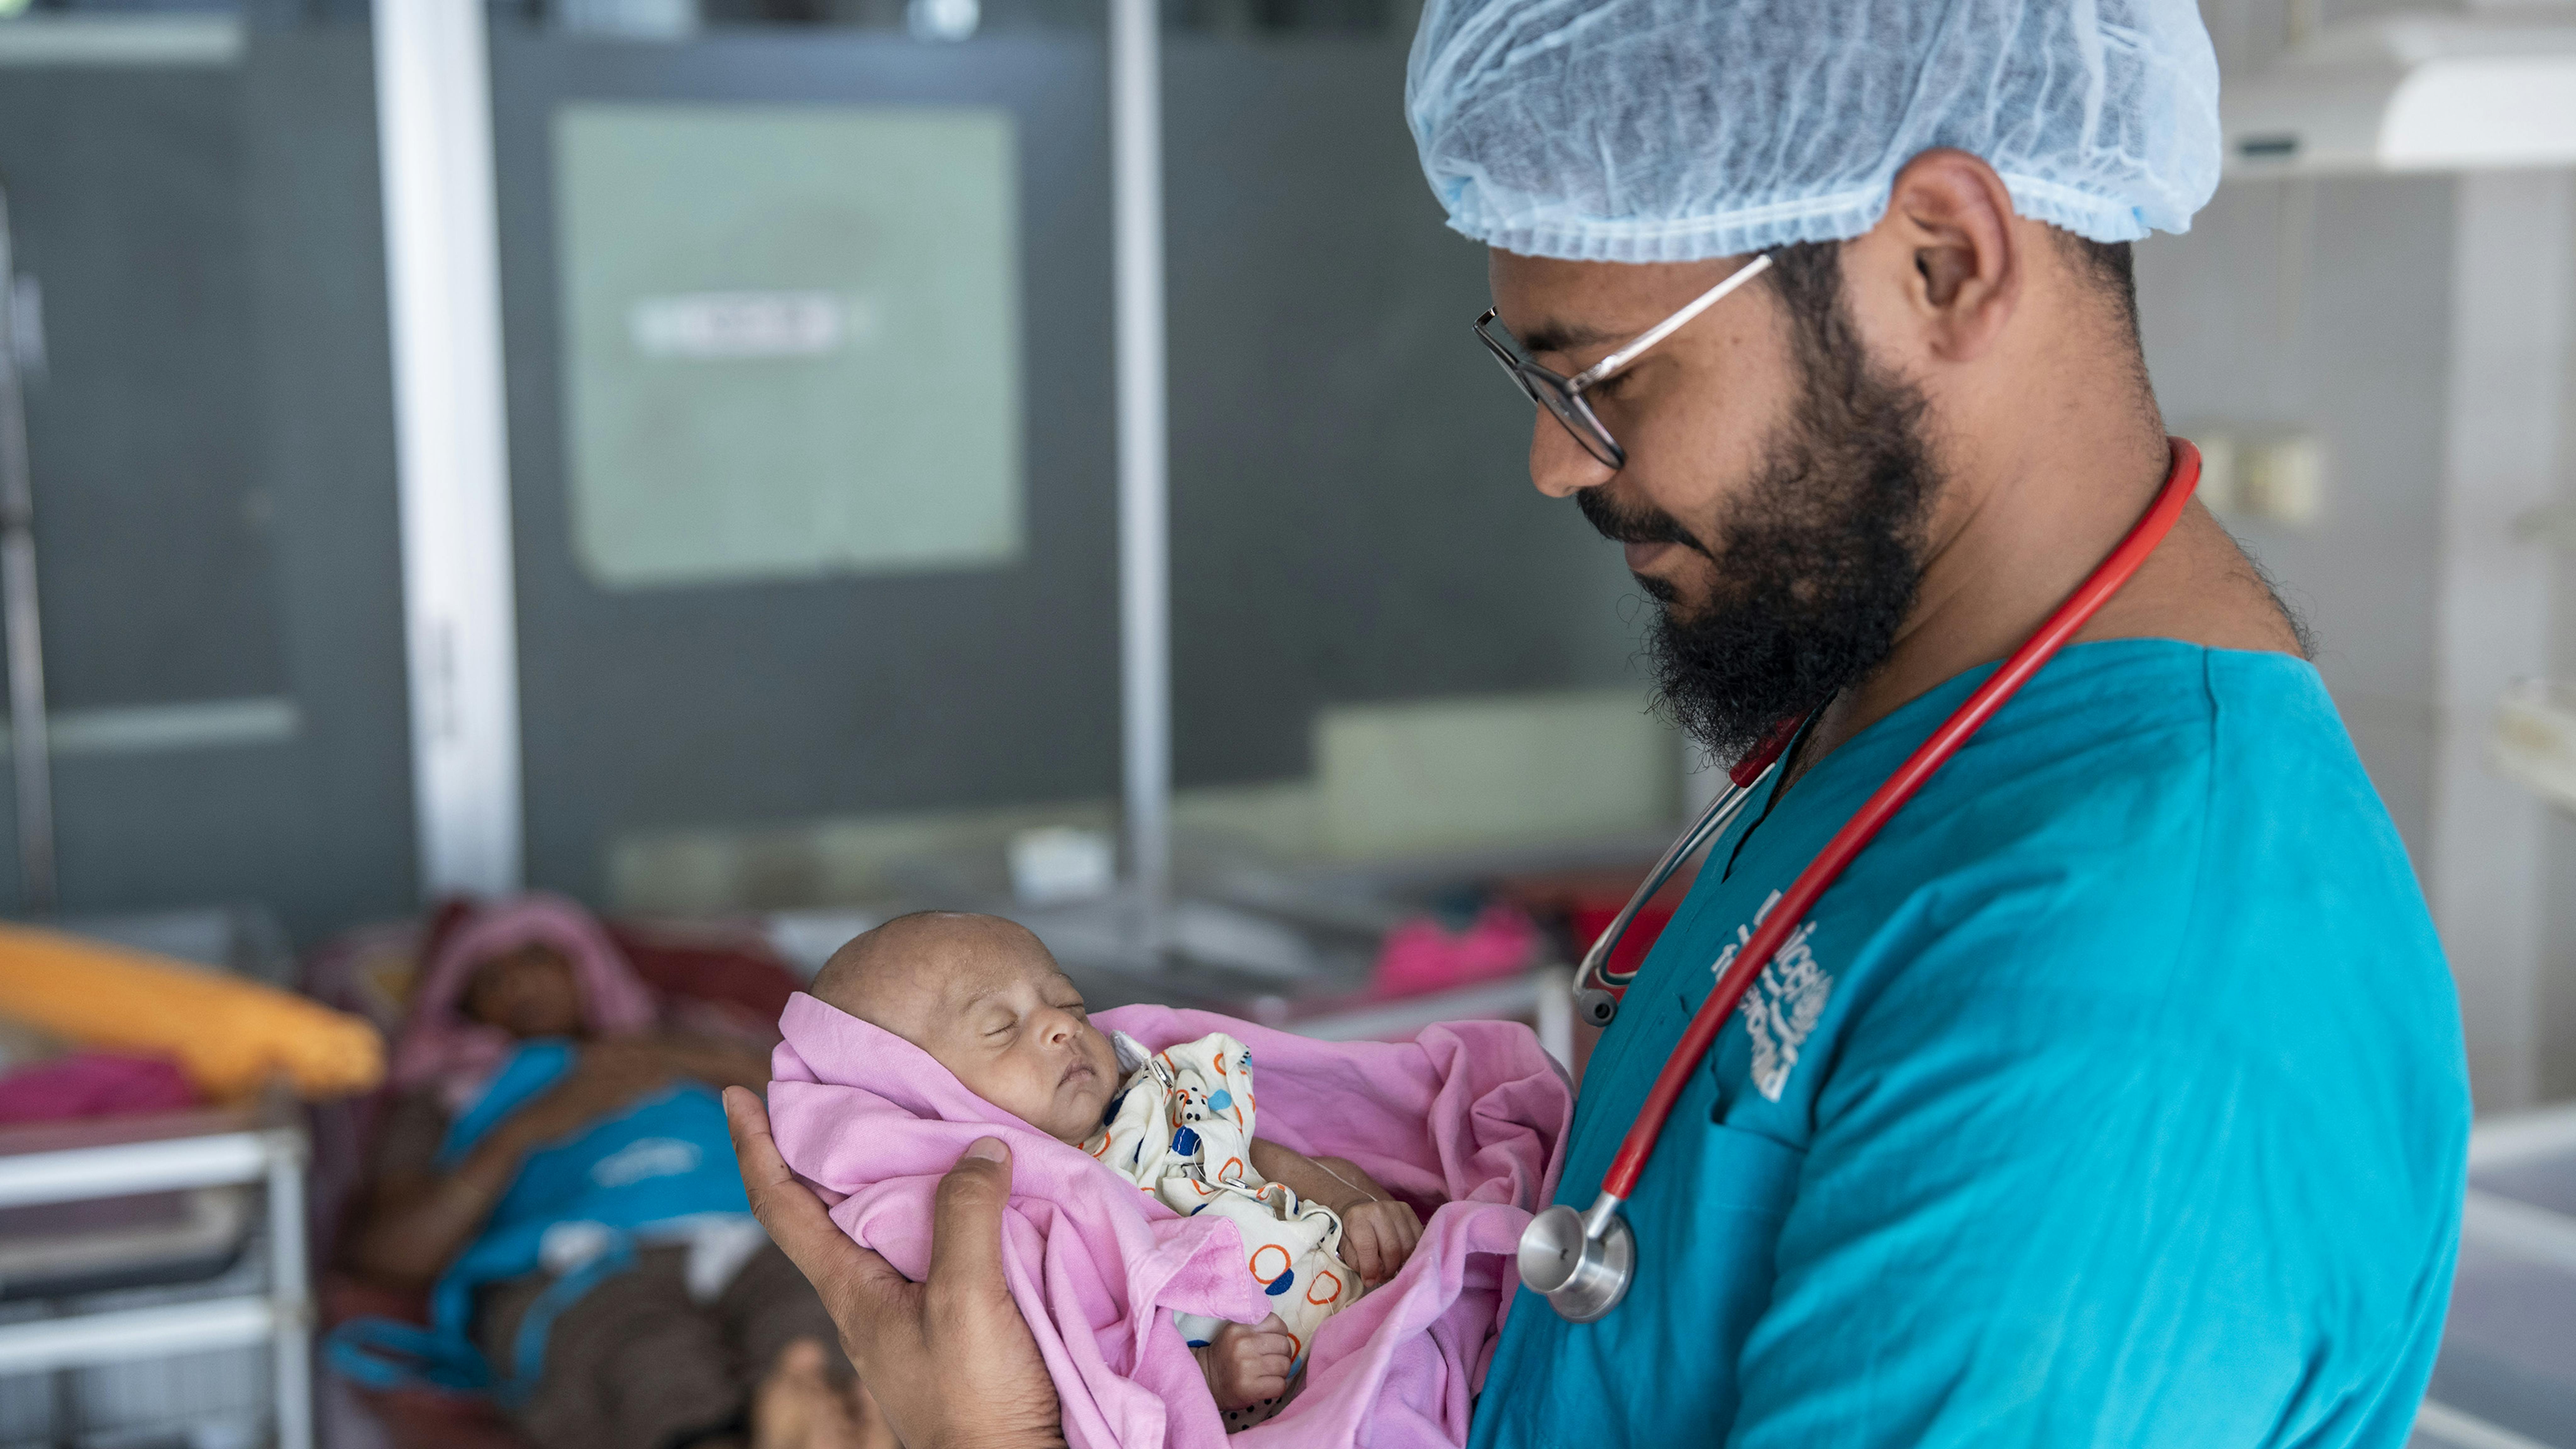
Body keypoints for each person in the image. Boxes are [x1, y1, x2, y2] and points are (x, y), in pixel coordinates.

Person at [724, 1, 2472, 1444]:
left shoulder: (2134, 986)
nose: (1558, 460)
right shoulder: (1896, 731)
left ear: (1942, 259)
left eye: (1609, 378)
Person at [804, 912, 1425, 1427]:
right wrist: (1211, 1377)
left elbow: (1270, 1160)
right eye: (999, 1028)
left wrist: (1353, 1206)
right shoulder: (1021, 1229)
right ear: (928, 1103)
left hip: (1389, 1303)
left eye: (1068, 1003)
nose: (1059, 1026)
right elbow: (1098, 1369)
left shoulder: (1160, 1101)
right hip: (1296, 1406)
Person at [344, 896, 888, 1449]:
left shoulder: (693, 1036)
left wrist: (677, 1058)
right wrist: (524, 1130)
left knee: (811, 1329)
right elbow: (392, 1256)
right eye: (489, 977)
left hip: (760, 1235)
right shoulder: (445, 1094)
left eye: (536, 958)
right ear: (464, 1004)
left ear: (586, 965)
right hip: (578, 1264)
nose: (517, 985)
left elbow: (833, 1111)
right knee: (645, 1363)